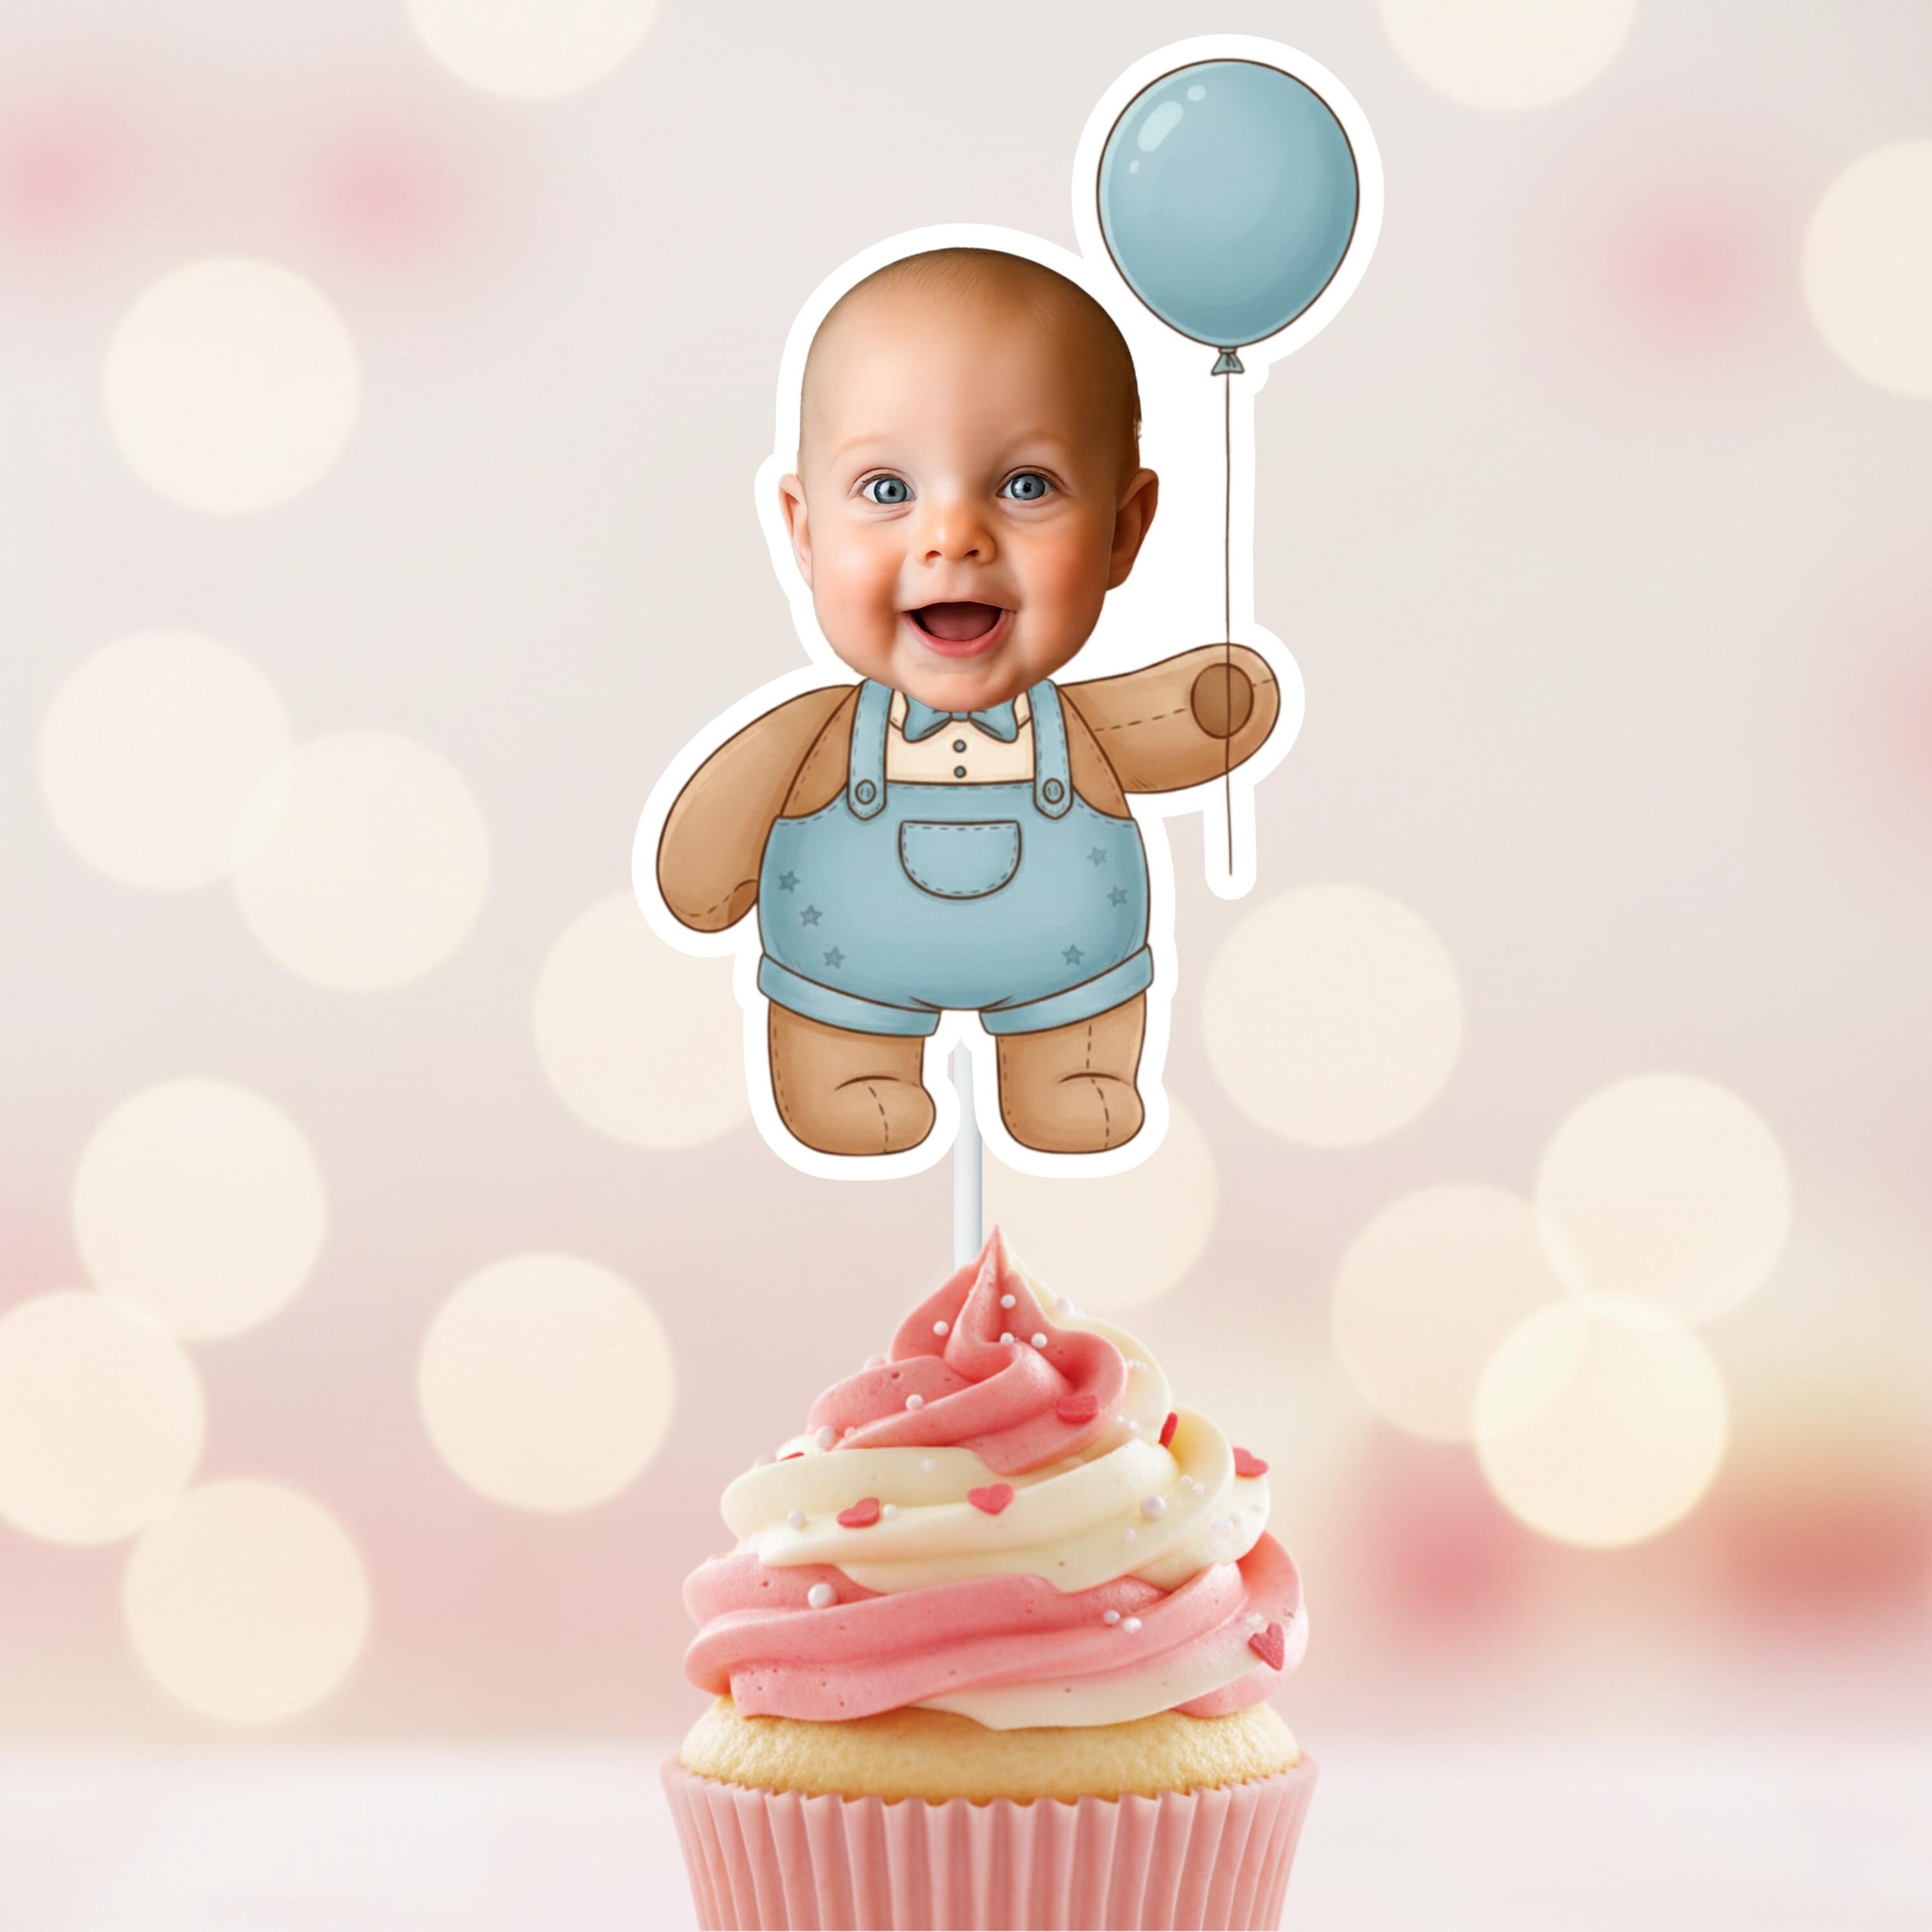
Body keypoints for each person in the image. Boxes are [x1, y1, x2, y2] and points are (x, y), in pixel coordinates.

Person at [657, 247, 1276, 1156]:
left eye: (1026, 486)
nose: (952, 538)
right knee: (842, 1053)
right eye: (888, 490)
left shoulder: (1087, 732)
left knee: (1079, 1053)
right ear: (804, 531)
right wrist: (705, 872)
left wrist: (1212, 706)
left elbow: (1178, 721)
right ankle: (849, 1067)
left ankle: (1071, 1068)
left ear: (1122, 530)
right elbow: (705, 860)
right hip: (848, 978)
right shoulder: (815, 739)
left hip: (1069, 982)